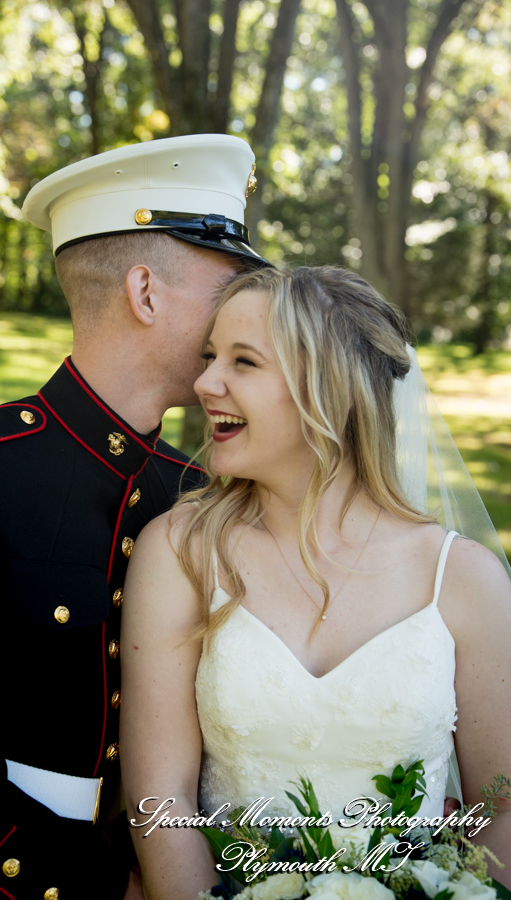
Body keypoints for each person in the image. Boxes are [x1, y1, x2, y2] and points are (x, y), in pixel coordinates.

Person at [0, 134, 268, 900]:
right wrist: (103, 887)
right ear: (145, 293)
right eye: (227, 287)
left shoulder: (199, 489)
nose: (241, 313)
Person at [120, 265, 511, 899]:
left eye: (243, 362)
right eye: (209, 355)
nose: (204, 382)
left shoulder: (463, 580)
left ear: (331, 391)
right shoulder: (181, 552)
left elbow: (502, 809)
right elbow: (157, 803)